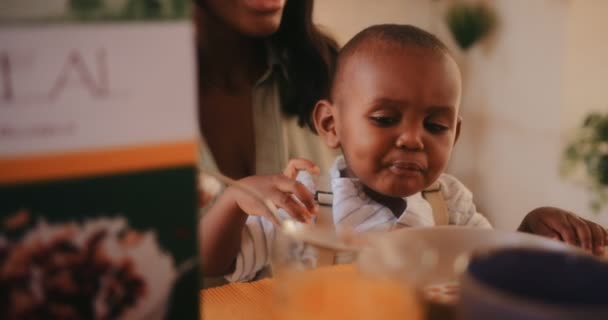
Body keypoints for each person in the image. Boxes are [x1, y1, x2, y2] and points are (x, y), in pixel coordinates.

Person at [200, 24, 607, 282]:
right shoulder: (302, 202)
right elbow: (213, 267)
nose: (412, 139)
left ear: (456, 134)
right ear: (330, 125)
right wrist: (234, 203)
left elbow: (487, 271)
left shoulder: (450, 203)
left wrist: (530, 234)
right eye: (385, 118)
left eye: (435, 126)